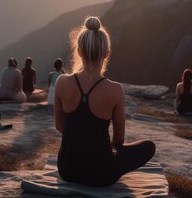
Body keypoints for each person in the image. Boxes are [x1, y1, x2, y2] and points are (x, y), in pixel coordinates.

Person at [55, 16, 155, 187]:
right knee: (148, 147)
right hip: (101, 173)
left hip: (68, 169)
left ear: (79, 51)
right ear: (106, 53)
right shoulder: (115, 90)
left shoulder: (62, 82)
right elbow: (119, 140)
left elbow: (60, 126)